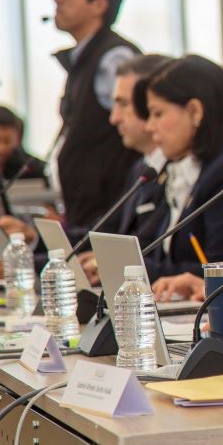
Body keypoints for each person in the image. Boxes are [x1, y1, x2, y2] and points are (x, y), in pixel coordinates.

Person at [138, 56, 223, 289]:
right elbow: (155, 249)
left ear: (195, 112)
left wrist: (138, 271)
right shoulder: (184, 170)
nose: (149, 126)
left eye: (158, 113)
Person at [51, 0, 140, 231]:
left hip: (109, 216)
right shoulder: (84, 58)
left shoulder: (115, 58)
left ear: (99, 5)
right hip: (87, 214)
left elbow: (139, 131)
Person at [78, 54, 172, 285]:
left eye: (123, 104)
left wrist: (111, 263)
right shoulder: (141, 169)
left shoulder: (179, 174)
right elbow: (104, 235)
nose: (114, 118)